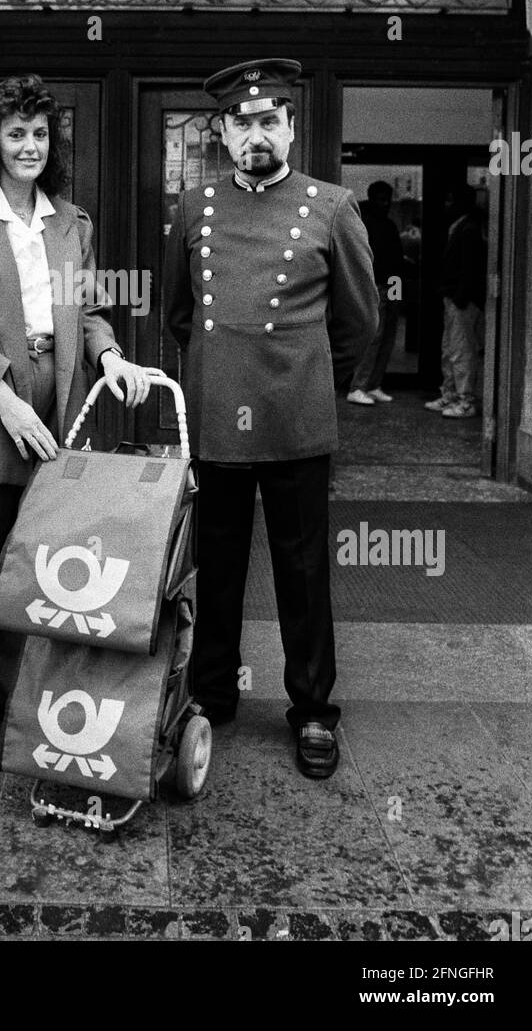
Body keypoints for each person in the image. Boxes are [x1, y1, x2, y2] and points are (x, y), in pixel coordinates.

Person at [0, 74, 150, 767]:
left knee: (31, 576)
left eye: (40, 134)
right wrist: (7, 399)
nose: (29, 146)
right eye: (15, 133)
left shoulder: (71, 222)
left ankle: (16, 702)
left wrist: (111, 358)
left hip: (58, 408)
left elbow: (92, 310)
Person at [163, 59, 378, 779]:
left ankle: (313, 710)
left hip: (295, 422)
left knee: (303, 570)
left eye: (268, 121)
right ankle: (213, 693)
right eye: (241, 123)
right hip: (220, 417)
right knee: (215, 566)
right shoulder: (194, 209)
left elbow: (359, 322)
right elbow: (179, 316)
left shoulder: (332, 206)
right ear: (222, 133)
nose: (255, 134)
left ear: (290, 127)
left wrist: (314, 382)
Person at [424, 182, 487, 419]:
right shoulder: (462, 226)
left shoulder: (468, 229)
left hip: (461, 299)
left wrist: (460, 296)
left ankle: (465, 400)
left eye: (451, 200)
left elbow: (470, 268)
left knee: (461, 350)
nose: (447, 204)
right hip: (455, 296)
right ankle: (451, 393)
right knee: (450, 349)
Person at [347, 180, 405, 405]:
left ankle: (372, 384)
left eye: (387, 199)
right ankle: (359, 385)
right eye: (382, 199)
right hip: (380, 285)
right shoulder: (366, 224)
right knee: (376, 337)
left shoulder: (381, 224)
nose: (386, 204)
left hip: (388, 284)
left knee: (387, 335)